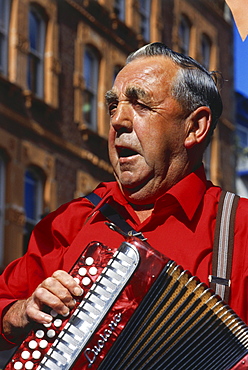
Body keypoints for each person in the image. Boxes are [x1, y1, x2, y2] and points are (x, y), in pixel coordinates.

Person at [1, 42, 248, 352]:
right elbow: (4, 306)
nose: (117, 120)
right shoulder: (73, 221)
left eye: (140, 104)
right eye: (113, 106)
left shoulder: (241, 228)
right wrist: (20, 312)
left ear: (194, 127)